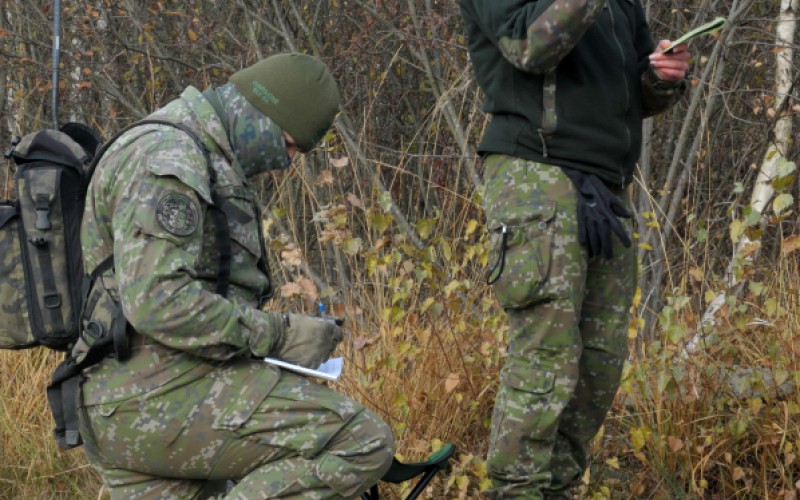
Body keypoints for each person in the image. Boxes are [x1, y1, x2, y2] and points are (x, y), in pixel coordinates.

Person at [76, 53, 395, 499]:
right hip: (156, 398)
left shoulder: (196, 150)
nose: (288, 162)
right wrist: (280, 335)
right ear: (259, 112)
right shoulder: (169, 158)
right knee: (362, 442)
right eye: (288, 144)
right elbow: (158, 302)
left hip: (139, 396)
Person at [459, 1, 691, 498]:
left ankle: (556, 490)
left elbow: (633, 85)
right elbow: (529, 45)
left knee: (599, 366)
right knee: (546, 356)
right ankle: (517, 492)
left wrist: (661, 76)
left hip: (606, 185)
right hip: (535, 172)